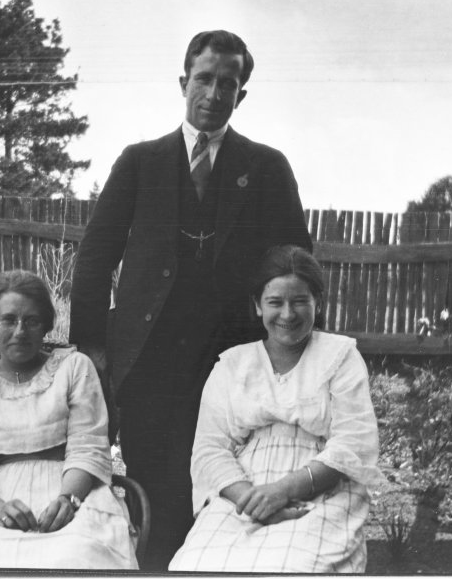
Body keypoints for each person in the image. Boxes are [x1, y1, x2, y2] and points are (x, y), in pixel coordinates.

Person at [69, 29, 312, 569]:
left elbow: (296, 265)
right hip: (148, 360)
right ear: (184, 83)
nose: (214, 92)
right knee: (156, 489)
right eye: (204, 78)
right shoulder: (140, 163)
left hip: (231, 360)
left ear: (241, 95)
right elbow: (94, 260)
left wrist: (288, 354)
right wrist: (93, 351)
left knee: (224, 485)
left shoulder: (268, 168)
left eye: (228, 83)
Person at [169, 245, 385, 572]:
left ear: (318, 303)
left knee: (292, 567)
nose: (287, 314)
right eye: (275, 302)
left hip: (318, 489)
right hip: (243, 492)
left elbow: (352, 443)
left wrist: (283, 492)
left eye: (300, 301)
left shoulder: (340, 356)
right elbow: (210, 449)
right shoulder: (232, 364)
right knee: (193, 566)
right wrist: (254, 501)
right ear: (258, 306)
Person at [0, 270, 137, 569]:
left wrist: (68, 501)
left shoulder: (74, 367)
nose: (20, 331)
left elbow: (89, 446)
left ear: (46, 325)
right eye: (8, 319)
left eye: (31, 321)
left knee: (77, 556)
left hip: (73, 489)